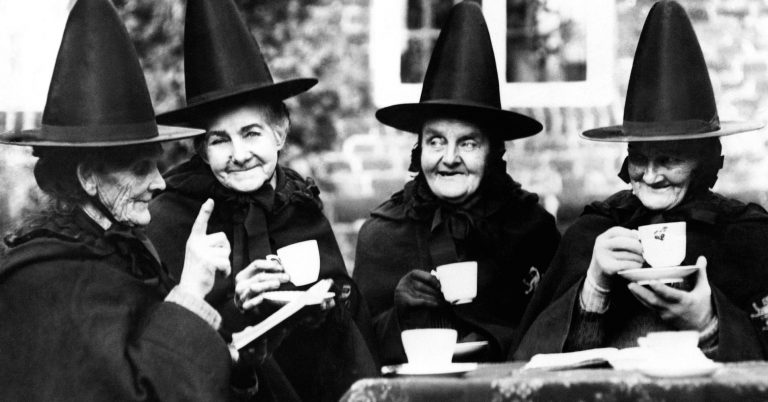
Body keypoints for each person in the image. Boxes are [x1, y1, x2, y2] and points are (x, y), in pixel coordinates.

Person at [0, 0, 237, 399]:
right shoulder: (47, 280)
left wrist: (234, 361)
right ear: (89, 177)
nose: (159, 183)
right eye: (141, 168)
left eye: (156, 166)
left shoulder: (123, 250)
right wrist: (191, 293)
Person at [512, 0, 768, 362]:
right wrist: (594, 288)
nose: (649, 175)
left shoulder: (747, 237)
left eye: (669, 159)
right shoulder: (593, 232)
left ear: (704, 159)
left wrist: (708, 324)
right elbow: (534, 369)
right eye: (638, 157)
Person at [147, 0, 377, 400]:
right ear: (201, 149)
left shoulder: (298, 204)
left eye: (251, 133)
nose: (239, 155)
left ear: (280, 133)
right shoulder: (170, 217)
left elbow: (348, 324)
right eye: (220, 140)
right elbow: (167, 353)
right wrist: (235, 307)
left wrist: (327, 305)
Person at [353, 1, 561, 365]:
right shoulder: (381, 235)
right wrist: (400, 313)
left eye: (468, 143)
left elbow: (555, 334)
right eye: (436, 141)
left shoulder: (532, 228)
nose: (449, 158)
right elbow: (357, 355)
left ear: (493, 153)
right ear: (419, 149)